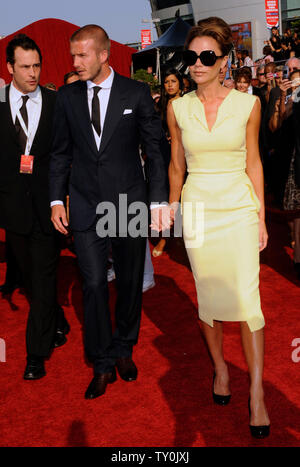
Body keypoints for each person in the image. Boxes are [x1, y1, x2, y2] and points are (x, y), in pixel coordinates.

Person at [49, 25, 168, 400]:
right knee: (95, 283)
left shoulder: (135, 92)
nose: (74, 63)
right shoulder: (66, 97)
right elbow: (60, 153)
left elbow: (154, 150)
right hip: (84, 204)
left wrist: (158, 200)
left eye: (82, 55)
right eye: (72, 56)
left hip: (127, 202)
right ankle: (101, 362)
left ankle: (124, 348)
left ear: (103, 55)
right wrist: (56, 199)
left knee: (130, 282)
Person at [168, 17, 270, 438]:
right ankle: (221, 371)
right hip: (199, 211)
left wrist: (262, 217)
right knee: (208, 300)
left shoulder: (249, 104)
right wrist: (171, 212)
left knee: (248, 302)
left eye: (206, 56)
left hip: (240, 209)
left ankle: (258, 393)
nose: (197, 63)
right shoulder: (177, 107)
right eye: (191, 57)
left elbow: (254, 163)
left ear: (225, 60)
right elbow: (177, 165)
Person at [0, 34, 69, 380]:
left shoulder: (57, 104)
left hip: (49, 206)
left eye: (37, 65)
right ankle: (56, 319)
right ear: (9, 67)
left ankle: (35, 355)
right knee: (30, 278)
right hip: (12, 209)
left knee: (41, 279)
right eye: (25, 67)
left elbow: (67, 155)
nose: (32, 73)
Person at [152, 68, 183, 258]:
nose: (170, 85)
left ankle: (179, 233)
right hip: (164, 155)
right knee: (166, 198)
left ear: (180, 83)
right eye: (166, 82)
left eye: (173, 81)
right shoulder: (159, 105)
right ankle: (165, 237)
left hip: (186, 154)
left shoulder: (189, 103)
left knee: (183, 197)